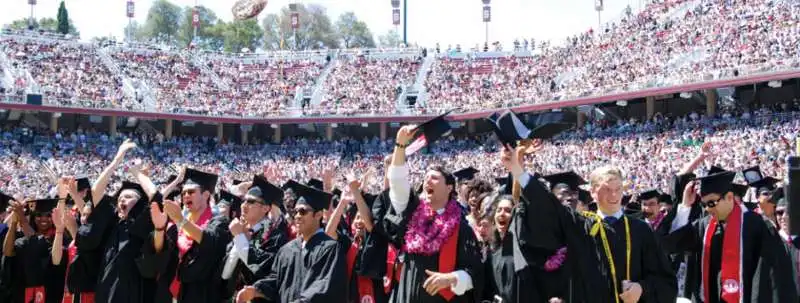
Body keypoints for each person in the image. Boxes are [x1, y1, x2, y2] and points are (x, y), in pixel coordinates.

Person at [500, 144, 677, 303]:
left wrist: (641, 289)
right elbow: (549, 207)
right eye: (606, 189)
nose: (614, 195)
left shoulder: (641, 230)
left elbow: (665, 282)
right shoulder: (580, 225)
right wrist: (518, 171)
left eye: (618, 189)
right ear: (592, 192)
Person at [379, 125, 484, 303]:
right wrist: (400, 145)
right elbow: (397, 183)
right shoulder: (411, 214)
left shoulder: (461, 229)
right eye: (426, 177)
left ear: (449, 188)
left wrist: (451, 278)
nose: (428, 179)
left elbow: (475, 273)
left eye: (434, 177)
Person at [659, 171, 798, 302]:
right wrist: (685, 206)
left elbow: (772, 276)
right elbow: (668, 244)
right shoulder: (703, 227)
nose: (707, 209)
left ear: (730, 197)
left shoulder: (757, 226)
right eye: (704, 204)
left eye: (712, 203)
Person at [235, 182, 346, 303]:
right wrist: (256, 290)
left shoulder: (329, 248)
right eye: (295, 211)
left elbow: (322, 289)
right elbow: (276, 279)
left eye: (303, 211)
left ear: (318, 215)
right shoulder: (287, 249)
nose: (297, 216)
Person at [150, 168, 232, 303]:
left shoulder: (219, 221)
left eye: (191, 192)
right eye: (183, 193)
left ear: (206, 195)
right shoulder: (178, 222)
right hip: (173, 289)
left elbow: (210, 241)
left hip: (201, 292)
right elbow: (162, 251)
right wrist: (160, 228)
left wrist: (180, 220)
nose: (185, 195)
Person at [221, 174, 289, 302]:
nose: (244, 205)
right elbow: (226, 273)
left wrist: (240, 237)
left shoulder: (275, 236)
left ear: (266, 208)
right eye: (244, 201)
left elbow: (262, 269)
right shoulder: (240, 229)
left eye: (251, 201)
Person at [3, 198, 67, 303]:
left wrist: (22, 217)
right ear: (33, 217)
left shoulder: (59, 237)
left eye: (48, 215)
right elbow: (7, 253)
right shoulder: (22, 235)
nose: (43, 219)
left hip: (49, 293)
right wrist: (14, 222)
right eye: (39, 215)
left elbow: (37, 244)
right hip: (21, 293)